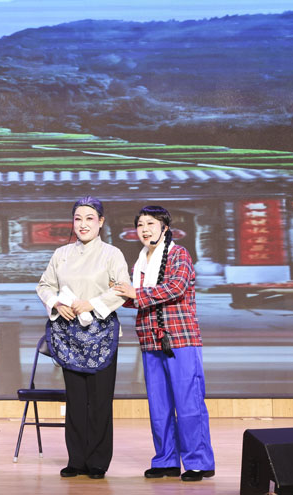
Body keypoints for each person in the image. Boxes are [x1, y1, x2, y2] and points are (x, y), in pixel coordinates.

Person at [113, 205, 215, 482]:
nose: (144, 230)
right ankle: (166, 460)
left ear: (165, 228)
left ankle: (198, 462)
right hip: (150, 339)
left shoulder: (178, 253)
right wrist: (117, 293)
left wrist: (135, 293)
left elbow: (176, 287)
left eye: (151, 224)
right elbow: (137, 298)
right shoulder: (140, 262)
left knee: (189, 403)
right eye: (140, 225)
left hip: (180, 337)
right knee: (159, 406)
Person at [35, 196, 130, 480]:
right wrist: (55, 303)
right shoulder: (61, 254)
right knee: (75, 400)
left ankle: (98, 461)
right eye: (78, 219)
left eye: (90, 218)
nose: (83, 224)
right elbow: (44, 285)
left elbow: (122, 288)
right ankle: (76, 459)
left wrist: (92, 303)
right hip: (69, 336)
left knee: (100, 401)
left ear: (101, 222)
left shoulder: (112, 254)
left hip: (102, 335)